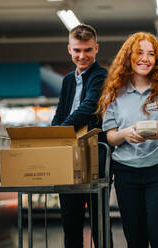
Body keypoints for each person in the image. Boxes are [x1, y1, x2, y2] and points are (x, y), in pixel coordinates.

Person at [97, 32, 158, 248]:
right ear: (129, 57)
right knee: (135, 239)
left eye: (151, 54)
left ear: (157, 60)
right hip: (126, 173)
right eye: (140, 53)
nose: (145, 59)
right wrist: (124, 134)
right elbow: (110, 137)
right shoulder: (113, 94)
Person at [51, 23, 113, 248]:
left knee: (99, 222)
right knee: (70, 221)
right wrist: (52, 136)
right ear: (69, 49)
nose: (82, 55)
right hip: (69, 158)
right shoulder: (68, 80)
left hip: (95, 157)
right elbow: (60, 112)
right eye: (77, 50)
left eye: (87, 50)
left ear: (96, 48)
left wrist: (61, 132)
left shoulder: (101, 76)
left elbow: (88, 108)